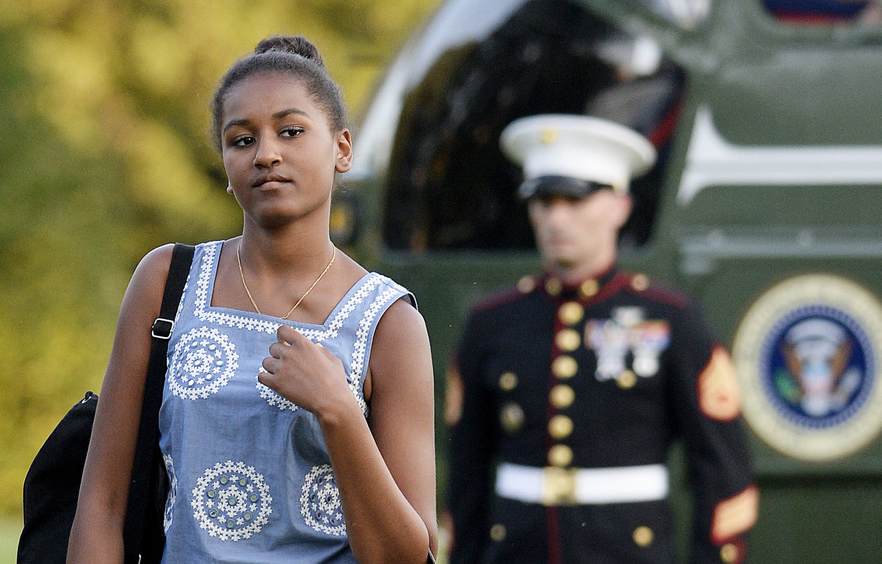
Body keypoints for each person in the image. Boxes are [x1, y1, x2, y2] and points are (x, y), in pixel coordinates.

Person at [67, 36, 438, 563]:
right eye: (242, 140)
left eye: (291, 131)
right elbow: (103, 503)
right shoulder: (167, 281)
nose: (267, 153)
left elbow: (409, 555)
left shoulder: (389, 323)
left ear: (342, 149)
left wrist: (339, 411)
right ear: (224, 162)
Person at [444, 114, 757, 564]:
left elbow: (723, 471)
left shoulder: (672, 320)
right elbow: (466, 478)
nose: (555, 218)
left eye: (575, 200)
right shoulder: (492, 322)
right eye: (544, 201)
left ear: (619, 206)